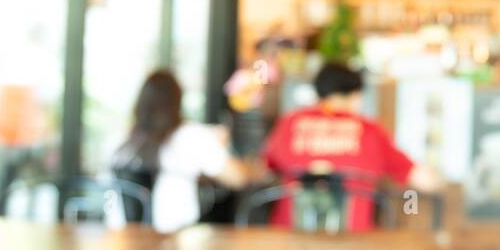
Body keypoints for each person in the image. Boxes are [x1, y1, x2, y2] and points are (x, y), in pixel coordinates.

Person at [262, 63, 440, 230]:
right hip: (356, 248)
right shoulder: (370, 130)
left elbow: (262, 170)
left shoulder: (289, 123)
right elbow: (423, 180)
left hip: (288, 244)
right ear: (356, 95)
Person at [112, 70, 251, 232]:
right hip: (177, 241)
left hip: (123, 241)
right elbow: (239, 178)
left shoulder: (122, 141)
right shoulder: (189, 136)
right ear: (177, 102)